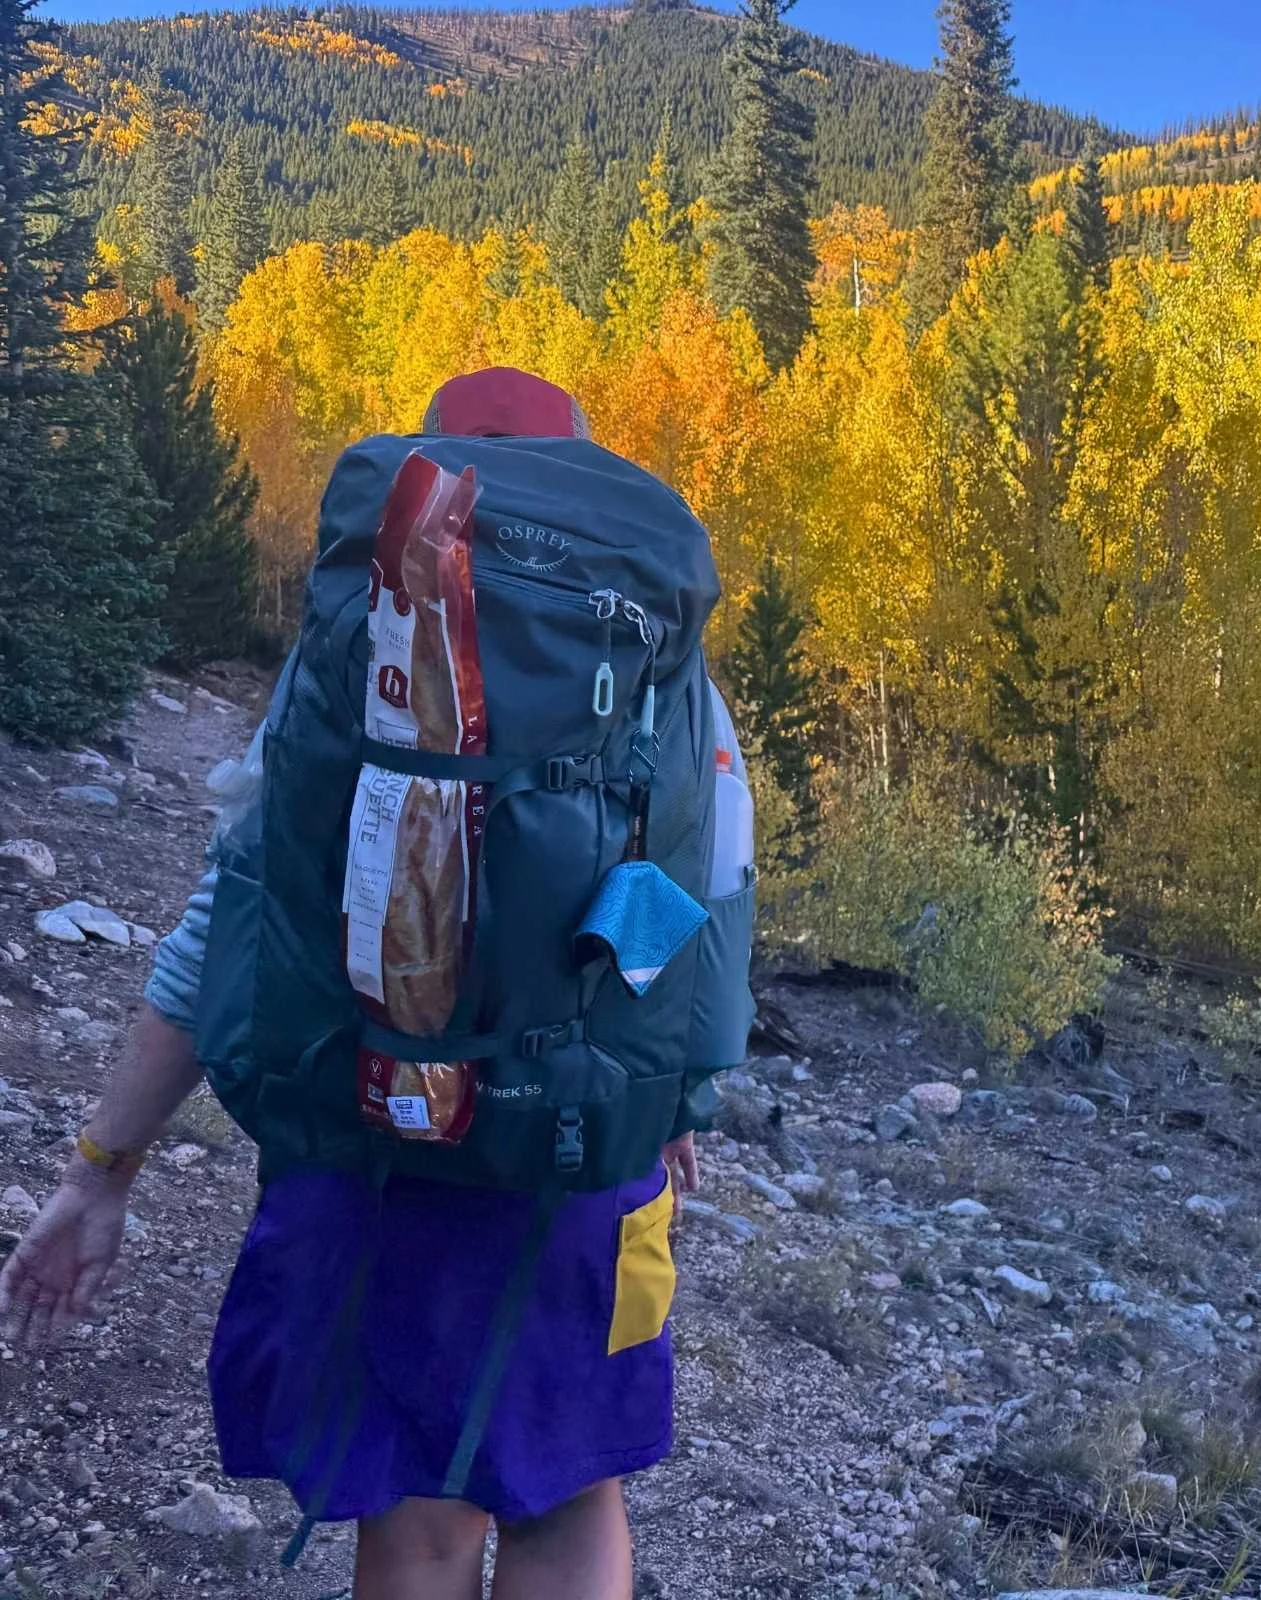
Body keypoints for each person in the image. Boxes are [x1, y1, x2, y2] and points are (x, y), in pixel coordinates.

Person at [0, 369, 750, 1600]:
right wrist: (674, 1100)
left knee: (415, 1502)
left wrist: (101, 1169)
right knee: (573, 1490)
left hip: (381, 1122)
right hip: (580, 1146)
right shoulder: (668, 677)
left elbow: (221, 926)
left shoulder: (356, 656)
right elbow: (714, 904)